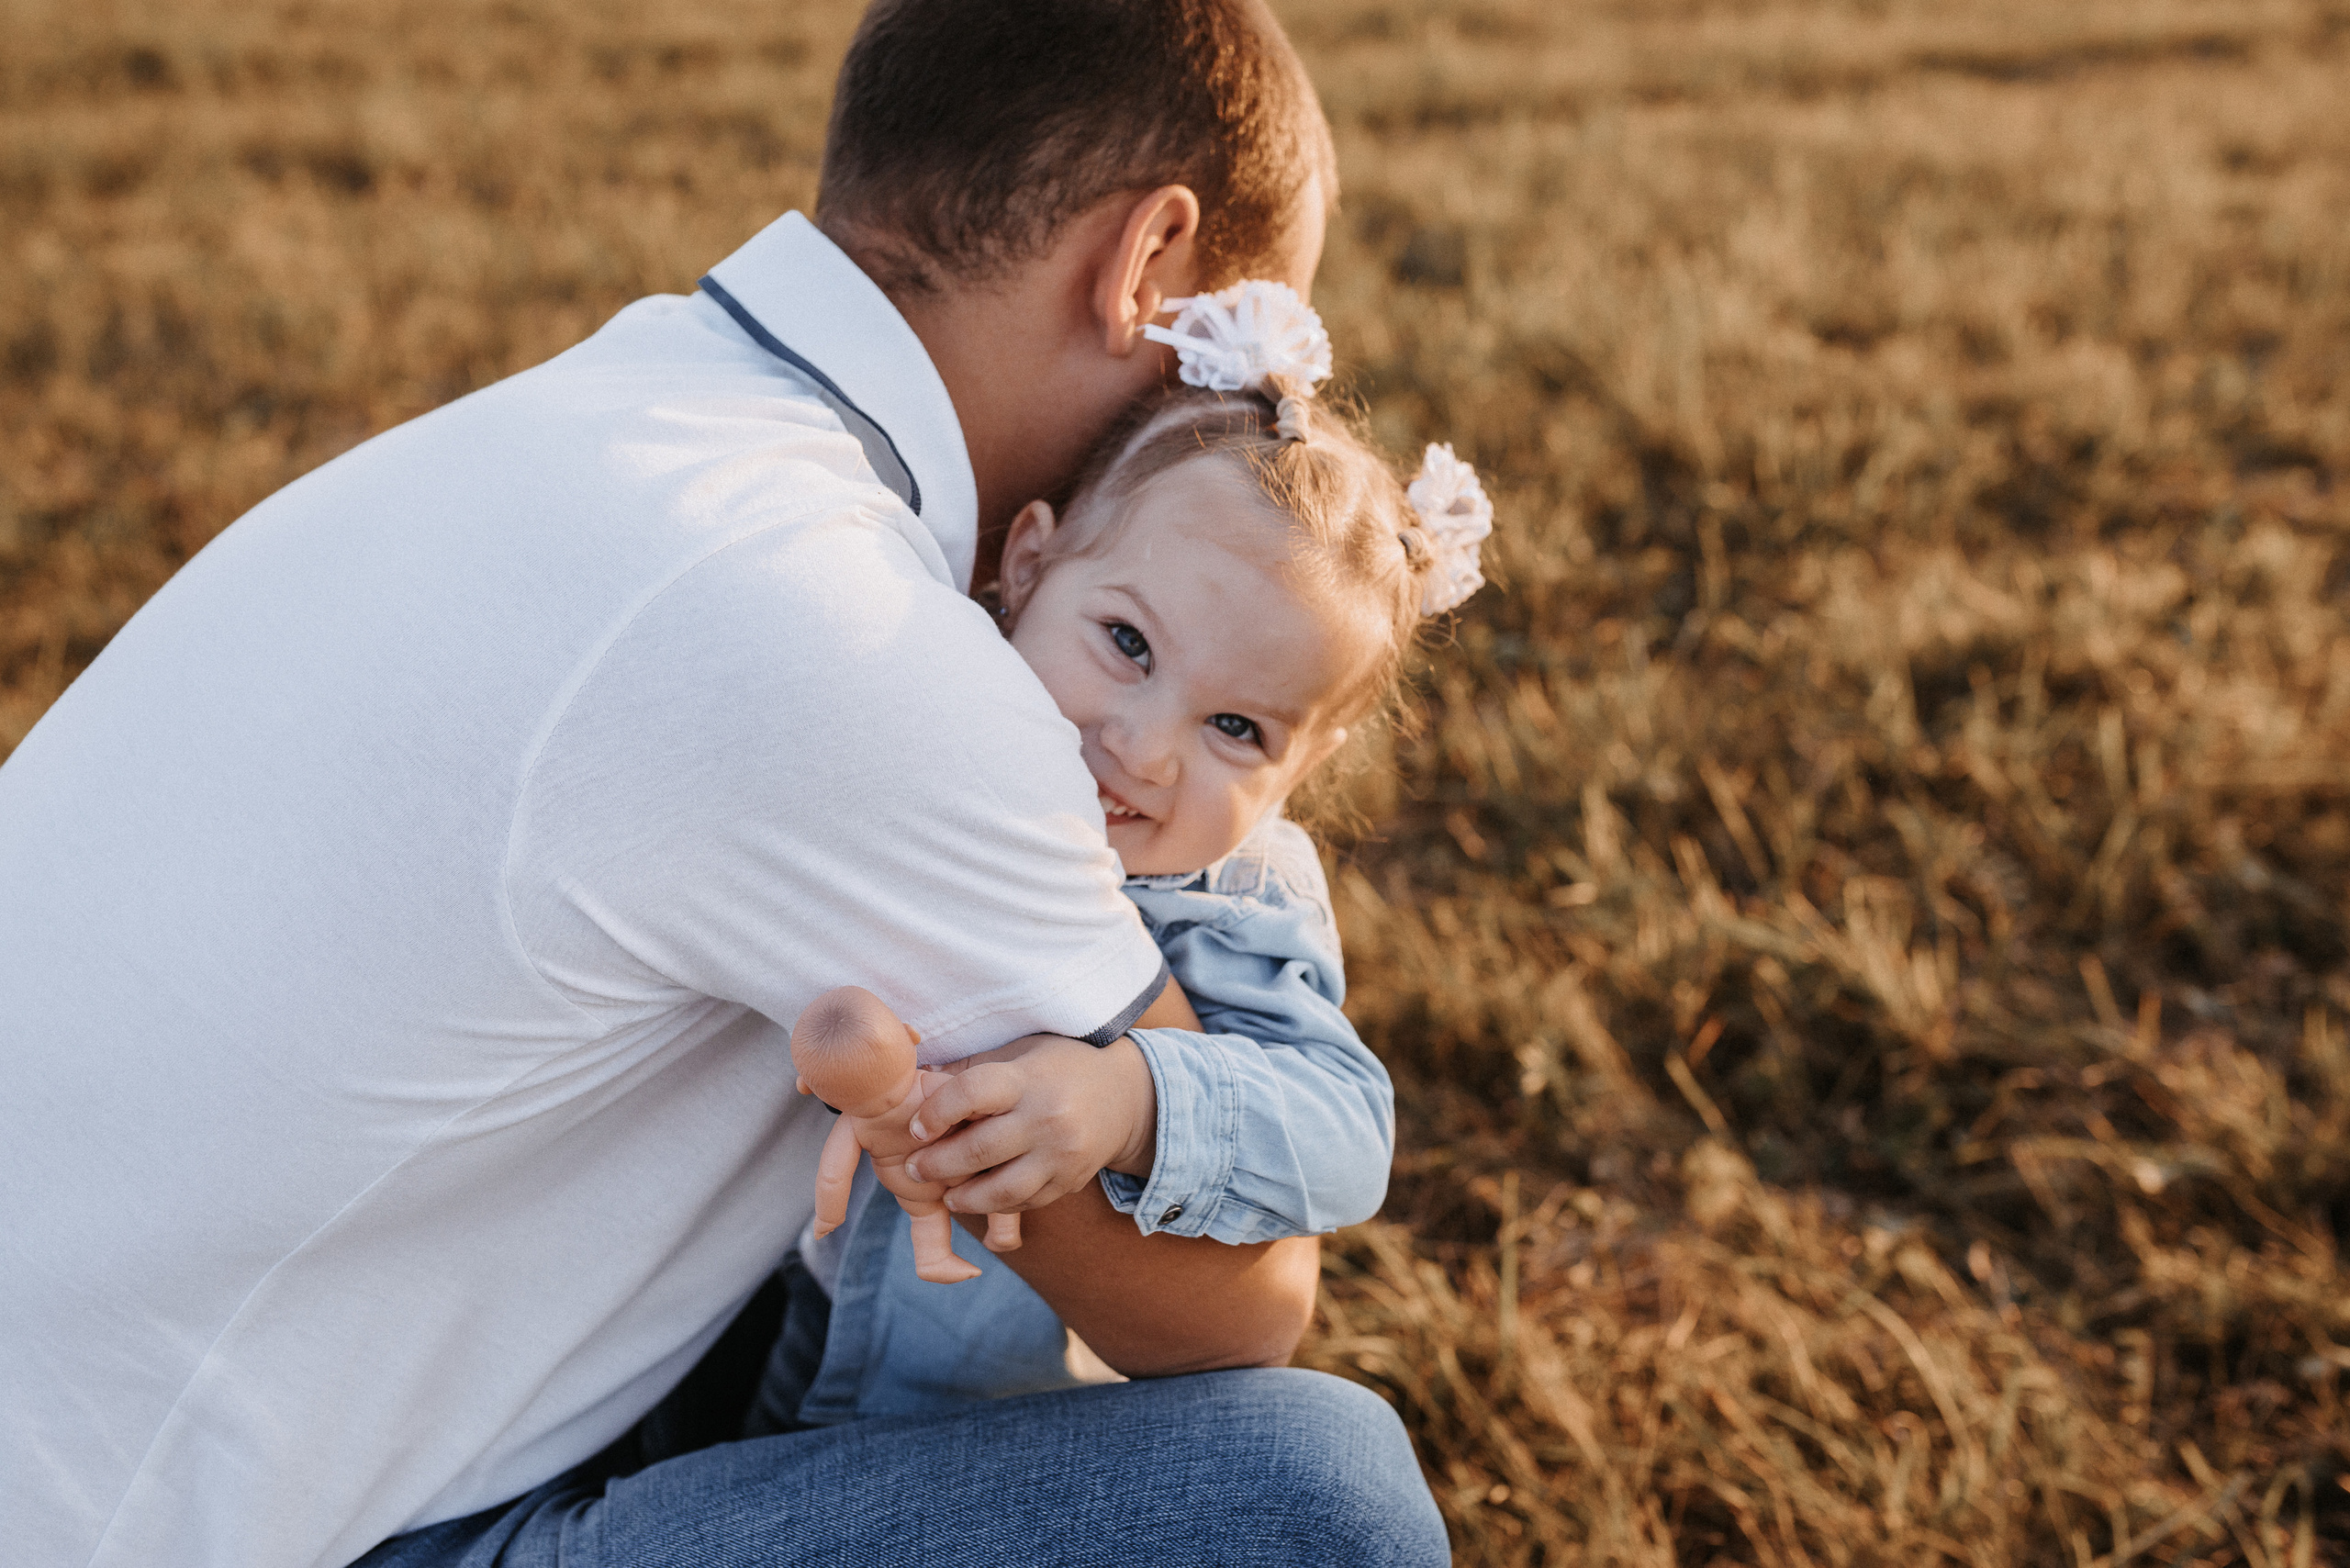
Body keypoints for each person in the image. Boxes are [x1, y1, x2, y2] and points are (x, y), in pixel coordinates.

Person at [0, 0, 1450, 1563]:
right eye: (1231, 359)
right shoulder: (851, 634)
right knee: (1306, 1497)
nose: (1213, 438)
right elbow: (1232, 1305)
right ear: (1145, 266)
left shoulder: (596, 420)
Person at [761, 290, 1497, 1428]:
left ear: (1309, 764)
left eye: (1238, 730)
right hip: (787, 1321)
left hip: (1005, 1406)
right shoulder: (923, 742)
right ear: (1032, 563)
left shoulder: (1236, 895)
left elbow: (1346, 1129)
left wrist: (1133, 1094)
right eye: (1127, 644)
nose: (1144, 750)